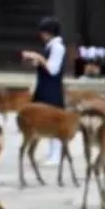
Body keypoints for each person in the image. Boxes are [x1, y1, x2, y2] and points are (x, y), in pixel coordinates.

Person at [22, 16, 67, 165]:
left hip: (52, 88)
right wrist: (34, 62)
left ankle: (56, 154)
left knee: (52, 119)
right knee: (43, 118)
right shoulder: (50, 46)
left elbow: (53, 69)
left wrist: (39, 57)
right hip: (44, 86)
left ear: (49, 32)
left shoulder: (58, 47)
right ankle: (51, 152)